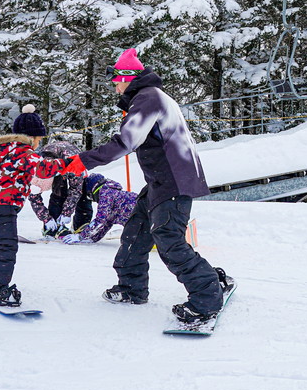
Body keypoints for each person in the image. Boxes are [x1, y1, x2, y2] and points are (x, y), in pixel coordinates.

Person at [74, 48, 231, 324]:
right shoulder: (151, 96)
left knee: (168, 240)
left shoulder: (148, 98)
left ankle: (207, 297)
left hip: (173, 179)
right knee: (136, 231)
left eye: (116, 79)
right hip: (164, 178)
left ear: (128, 77)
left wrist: (80, 162)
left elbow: (126, 141)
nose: (114, 85)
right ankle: (131, 288)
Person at [0, 105, 77, 307]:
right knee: (7, 246)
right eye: (39, 139)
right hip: (3, 206)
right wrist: (72, 162)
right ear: (31, 137)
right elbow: (45, 169)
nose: (39, 143)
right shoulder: (23, 152)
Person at [28, 140, 92, 236]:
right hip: (54, 164)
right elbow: (33, 197)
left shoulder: (73, 165)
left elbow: (75, 191)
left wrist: (67, 213)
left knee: (82, 190)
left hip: (72, 161)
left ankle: (81, 223)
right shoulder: (34, 167)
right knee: (59, 192)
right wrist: (46, 219)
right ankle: (53, 226)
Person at [59, 173, 139, 244]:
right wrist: (92, 239)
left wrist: (80, 236)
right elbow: (107, 222)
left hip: (142, 215)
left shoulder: (106, 195)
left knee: (131, 242)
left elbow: (100, 220)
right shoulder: (111, 193)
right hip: (138, 218)